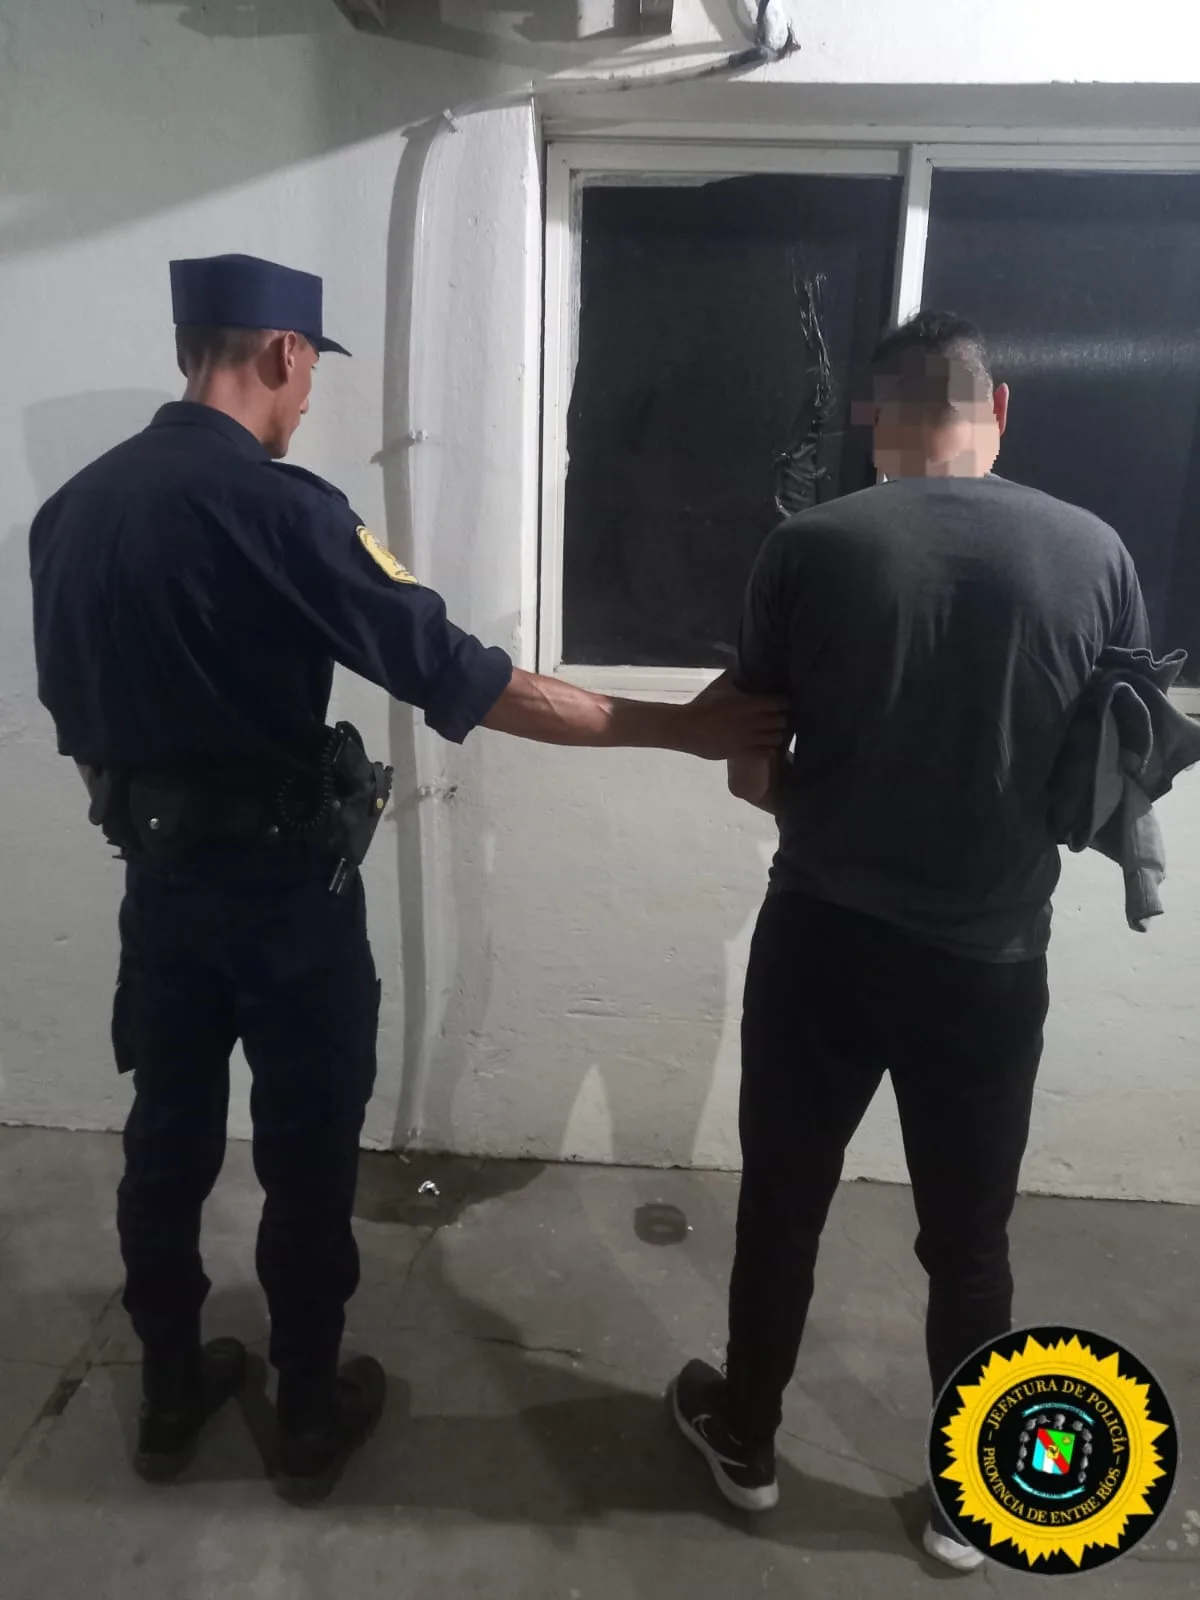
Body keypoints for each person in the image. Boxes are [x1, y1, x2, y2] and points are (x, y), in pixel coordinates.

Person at [28, 253, 785, 1502]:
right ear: (283, 352)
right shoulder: (286, 512)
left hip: (157, 893)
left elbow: (73, 717)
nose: (307, 398)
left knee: (165, 1139)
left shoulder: (72, 512)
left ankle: (167, 1395)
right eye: (309, 372)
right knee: (306, 1150)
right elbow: (467, 678)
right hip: (285, 902)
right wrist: (679, 729)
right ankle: (306, 1412)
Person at [668, 311, 1151, 1572]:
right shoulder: (1096, 553)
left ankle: (748, 1442)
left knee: (783, 1203)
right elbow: (1110, 774)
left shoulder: (809, 546)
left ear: (874, 420)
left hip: (821, 942)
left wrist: (825, 806)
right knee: (970, 1240)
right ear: (1001, 409)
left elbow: (748, 767)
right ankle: (965, 1502)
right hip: (991, 963)